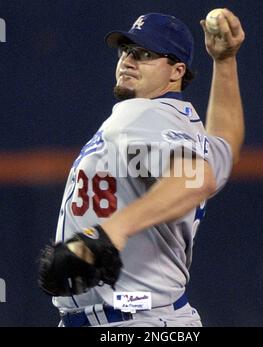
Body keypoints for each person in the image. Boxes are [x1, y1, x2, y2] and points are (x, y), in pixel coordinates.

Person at [38, 10, 245, 327]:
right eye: (126, 50)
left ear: (177, 71)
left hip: (131, 322)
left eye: (145, 54)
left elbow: (195, 179)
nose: (128, 60)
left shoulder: (139, 114)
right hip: (150, 314)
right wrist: (225, 62)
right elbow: (225, 142)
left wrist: (110, 233)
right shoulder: (187, 128)